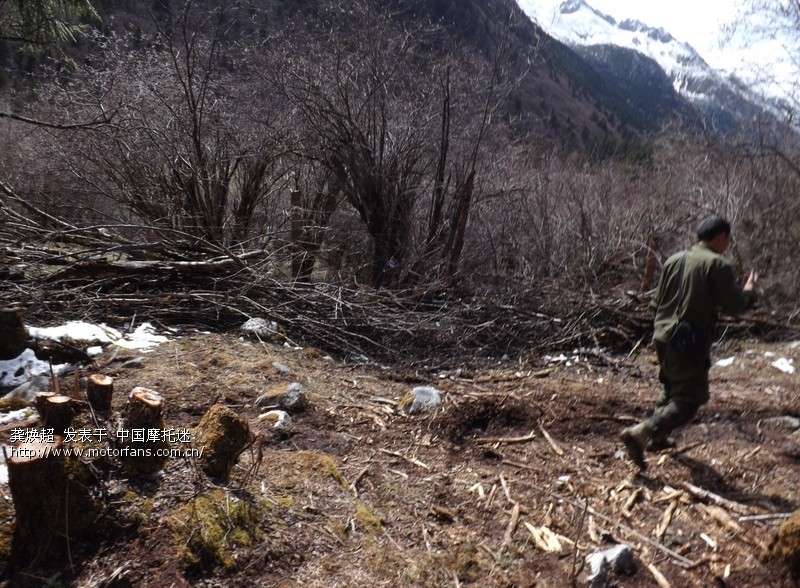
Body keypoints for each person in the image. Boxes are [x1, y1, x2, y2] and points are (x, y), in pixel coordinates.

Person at [621, 215, 758, 470]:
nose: (727, 244)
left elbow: (655, 303)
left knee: (671, 390)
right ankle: (641, 433)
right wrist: (750, 291)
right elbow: (736, 305)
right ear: (720, 237)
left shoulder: (673, 260)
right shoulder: (717, 264)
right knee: (689, 400)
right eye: (727, 239)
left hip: (662, 334)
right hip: (687, 341)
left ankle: (658, 439)